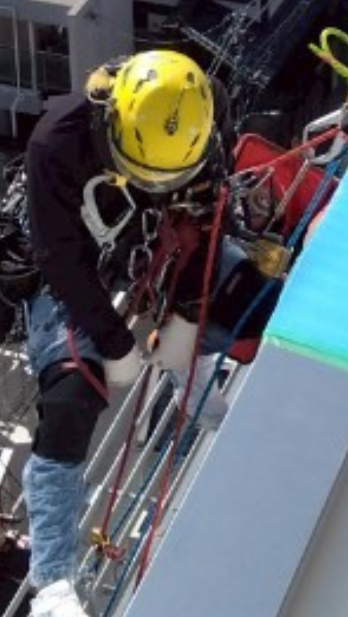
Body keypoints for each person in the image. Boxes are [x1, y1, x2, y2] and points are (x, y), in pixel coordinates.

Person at [21, 49, 230, 617]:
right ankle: (51, 579)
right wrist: (114, 341)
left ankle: (199, 384)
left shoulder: (203, 117)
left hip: (151, 235)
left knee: (231, 282)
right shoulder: (57, 143)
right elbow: (59, 258)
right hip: (79, 257)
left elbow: (208, 218)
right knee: (71, 394)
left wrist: (187, 313)